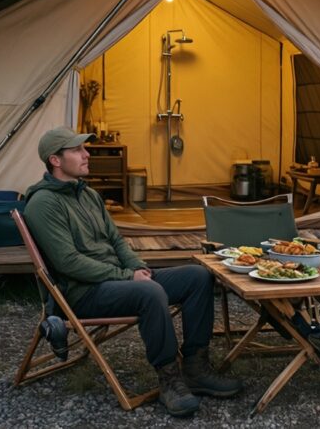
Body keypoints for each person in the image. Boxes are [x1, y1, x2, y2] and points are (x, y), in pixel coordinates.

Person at [23, 126, 242, 418]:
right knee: (149, 292)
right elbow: (69, 263)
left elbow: (116, 240)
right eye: (77, 150)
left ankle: (196, 368)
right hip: (82, 293)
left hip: (116, 279)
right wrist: (128, 277)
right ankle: (169, 380)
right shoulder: (43, 204)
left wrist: (136, 266)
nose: (87, 154)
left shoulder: (88, 195)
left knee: (198, 276)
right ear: (56, 160)